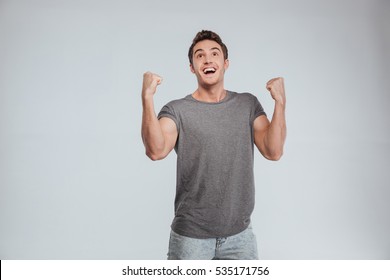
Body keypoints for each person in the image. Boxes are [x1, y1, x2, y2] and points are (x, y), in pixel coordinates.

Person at [141, 30, 286, 260]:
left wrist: (280, 103)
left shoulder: (247, 104)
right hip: (191, 238)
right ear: (192, 67)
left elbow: (273, 150)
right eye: (199, 56)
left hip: (240, 237)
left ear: (225, 63)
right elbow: (156, 151)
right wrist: (147, 98)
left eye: (214, 54)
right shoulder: (178, 110)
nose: (207, 59)